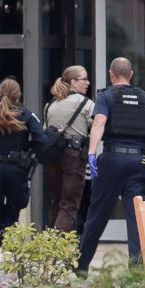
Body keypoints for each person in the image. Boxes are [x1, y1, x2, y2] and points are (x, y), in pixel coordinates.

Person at [77, 57, 145, 273]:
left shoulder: (106, 95)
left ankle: (82, 267)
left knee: (97, 215)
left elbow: (99, 122)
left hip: (112, 160)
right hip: (138, 162)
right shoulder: (144, 98)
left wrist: (92, 153)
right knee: (137, 219)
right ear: (130, 74)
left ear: (111, 74)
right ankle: (136, 272)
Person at [0, 77, 47, 245]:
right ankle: (6, 249)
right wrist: (29, 151)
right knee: (13, 210)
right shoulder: (27, 115)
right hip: (17, 169)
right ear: (19, 95)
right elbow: (42, 140)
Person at [43, 66, 95, 232]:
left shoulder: (50, 104)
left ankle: (49, 245)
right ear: (73, 82)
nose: (88, 83)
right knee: (69, 204)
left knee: (56, 202)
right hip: (73, 156)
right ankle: (58, 247)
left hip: (52, 158)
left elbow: (45, 130)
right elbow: (99, 125)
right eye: (84, 79)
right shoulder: (85, 103)